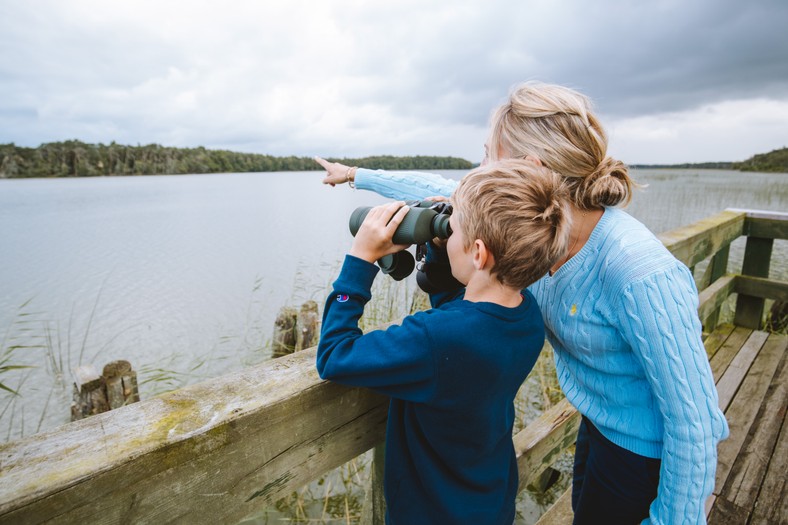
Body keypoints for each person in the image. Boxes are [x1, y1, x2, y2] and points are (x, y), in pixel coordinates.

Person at [316, 81, 729, 525]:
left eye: (487, 157)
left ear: (528, 167)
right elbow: (437, 187)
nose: (475, 172)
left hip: (643, 454)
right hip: (595, 424)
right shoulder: (527, 236)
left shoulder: (640, 271)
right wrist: (357, 175)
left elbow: (695, 422)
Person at [316, 160, 572, 525]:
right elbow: (463, 309)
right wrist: (440, 246)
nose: (447, 234)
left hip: (431, 511)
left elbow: (335, 355)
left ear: (479, 253)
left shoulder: (436, 338)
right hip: (487, 501)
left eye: (452, 230)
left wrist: (361, 259)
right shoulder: (525, 314)